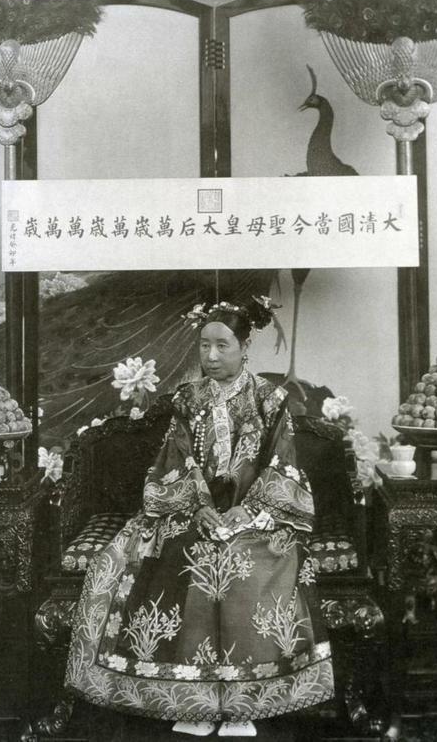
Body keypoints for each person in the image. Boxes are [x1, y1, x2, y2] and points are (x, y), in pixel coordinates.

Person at [64, 298, 334, 736]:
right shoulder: (188, 399)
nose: (211, 355)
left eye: (222, 345)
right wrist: (199, 506)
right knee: (186, 548)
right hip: (194, 508)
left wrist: (250, 509)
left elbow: (282, 462)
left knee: (246, 558)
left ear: (244, 347)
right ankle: (194, 700)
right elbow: (176, 458)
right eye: (204, 345)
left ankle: (243, 703)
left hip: (257, 511)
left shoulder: (270, 400)